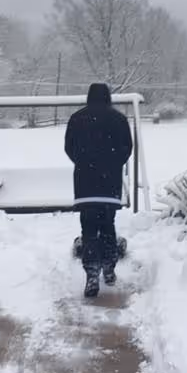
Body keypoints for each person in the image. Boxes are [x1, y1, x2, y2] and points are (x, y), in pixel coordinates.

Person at [65, 83, 133, 297]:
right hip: (109, 183)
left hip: (85, 183)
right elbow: (127, 148)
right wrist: (112, 164)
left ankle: (92, 272)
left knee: (89, 228)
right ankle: (109, 268)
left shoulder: (77, 118)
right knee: (108, 225)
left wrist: (85, 162)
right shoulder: (119, 119)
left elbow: (69, 147)